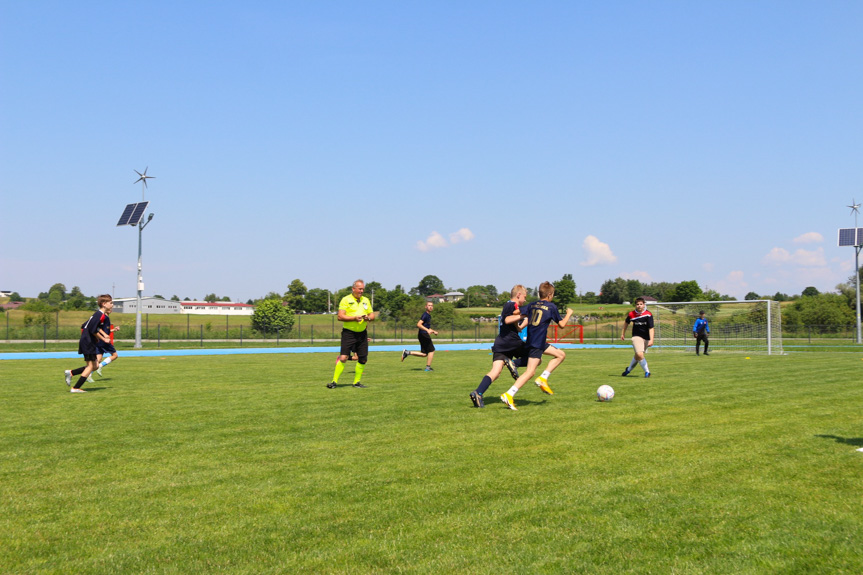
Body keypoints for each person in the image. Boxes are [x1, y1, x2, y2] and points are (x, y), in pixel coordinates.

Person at [500, 281, 574, 411]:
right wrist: (568, 314)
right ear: (550, 294)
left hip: (533, 340)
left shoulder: (532, 305)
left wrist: (511, 316)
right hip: (537, 343)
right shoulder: (551, 307)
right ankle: (509, 394)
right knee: (530, 372)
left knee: (560, 355)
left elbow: (517, 312)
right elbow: (561, 325)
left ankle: (542, 377)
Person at [470, 285, 528, 408]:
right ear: (518, 295)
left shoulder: (512, 307)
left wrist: (528, 317)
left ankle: (478, 393)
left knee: (495, 372)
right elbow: (507, 320)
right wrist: (524, 314)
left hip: (501, 343)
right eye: (525, 297)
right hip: (511, 342)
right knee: (536, 358)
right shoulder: (511, 305)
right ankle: (513, 363)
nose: (525, 300)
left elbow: (518, 327)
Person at [328, 280, 377, 389]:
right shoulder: (346, 300)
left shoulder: (366, 300)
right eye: (360, 289)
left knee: (363, 359)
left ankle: (356, 383)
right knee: (344, 358)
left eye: (363, 289)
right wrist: (354, 318)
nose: (362, 291)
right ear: (353, 289)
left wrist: (368, 318)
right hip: (348, 333)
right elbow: (340, 316)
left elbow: (372, 315)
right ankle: (334, 382)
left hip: (362, 334)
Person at [64, 294, 113, 393]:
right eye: (111, 303)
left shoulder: (98, 315)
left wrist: (103, 334)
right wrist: (104, 339)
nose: (112, 305)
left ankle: (71, 373)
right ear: (104, 304)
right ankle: (75, 388)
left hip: (88, 341)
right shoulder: (100, 315)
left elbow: (85, 325)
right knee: (90, 366)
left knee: (95, 366)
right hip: (88, 342)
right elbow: (93, 330)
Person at [620, 296, 654, 378]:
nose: (639, 305)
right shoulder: (631, 314)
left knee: (638, 355)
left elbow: (651, 328)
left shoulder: (648, 314)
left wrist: (651, 340)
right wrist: (622, 333)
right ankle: (647, 372)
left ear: (644, 305)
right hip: (636, 337)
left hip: (646, 338)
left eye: (641, 304)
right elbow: (626, 323)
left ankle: (628, 369)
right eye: (637, 304)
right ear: (635, 305)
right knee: (639, 354)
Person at [401, 301, 439, 371]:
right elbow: (418, 324)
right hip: (424, 334)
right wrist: (427, 331)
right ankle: (428, 367)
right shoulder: (425, 315)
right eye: (429, 305)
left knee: (424, 354)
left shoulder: (428, 315)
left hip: (422, 334)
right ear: (426, 307)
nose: (431, 307)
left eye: (432, 305)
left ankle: (407, 353)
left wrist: (433, 331)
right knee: (432, 350)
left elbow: (426, 327)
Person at [92, 307, 120, 379]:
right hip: (103, 340)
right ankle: (100, 367)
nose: (111, 309)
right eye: (110, 308)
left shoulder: (106, 317)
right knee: (115, 355)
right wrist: (105, 336)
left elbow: (105, 330)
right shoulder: (104, 317)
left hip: (99, 340)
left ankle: (88, 374)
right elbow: (97, 328)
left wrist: (114, 330)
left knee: (98, 359)